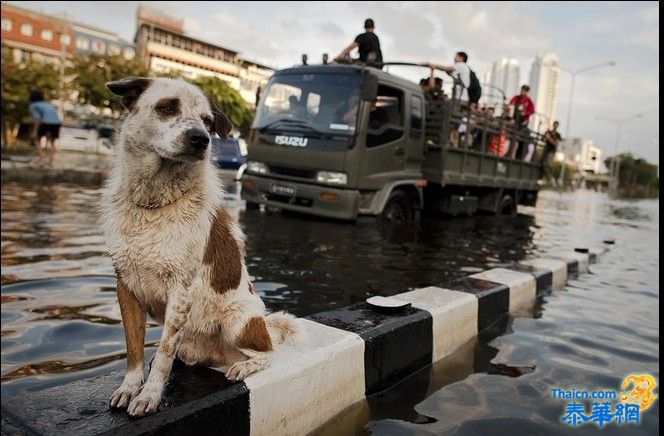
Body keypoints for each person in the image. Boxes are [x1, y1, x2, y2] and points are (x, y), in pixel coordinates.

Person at [28, 90, 61, 164]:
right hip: (56, 122)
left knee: (36, 139)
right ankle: (51, 160)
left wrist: (35, 131)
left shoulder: (33, 105)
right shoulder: (47, 104)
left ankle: (42, 159)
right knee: (52, 142)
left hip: (45, 122)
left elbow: (37, 119)